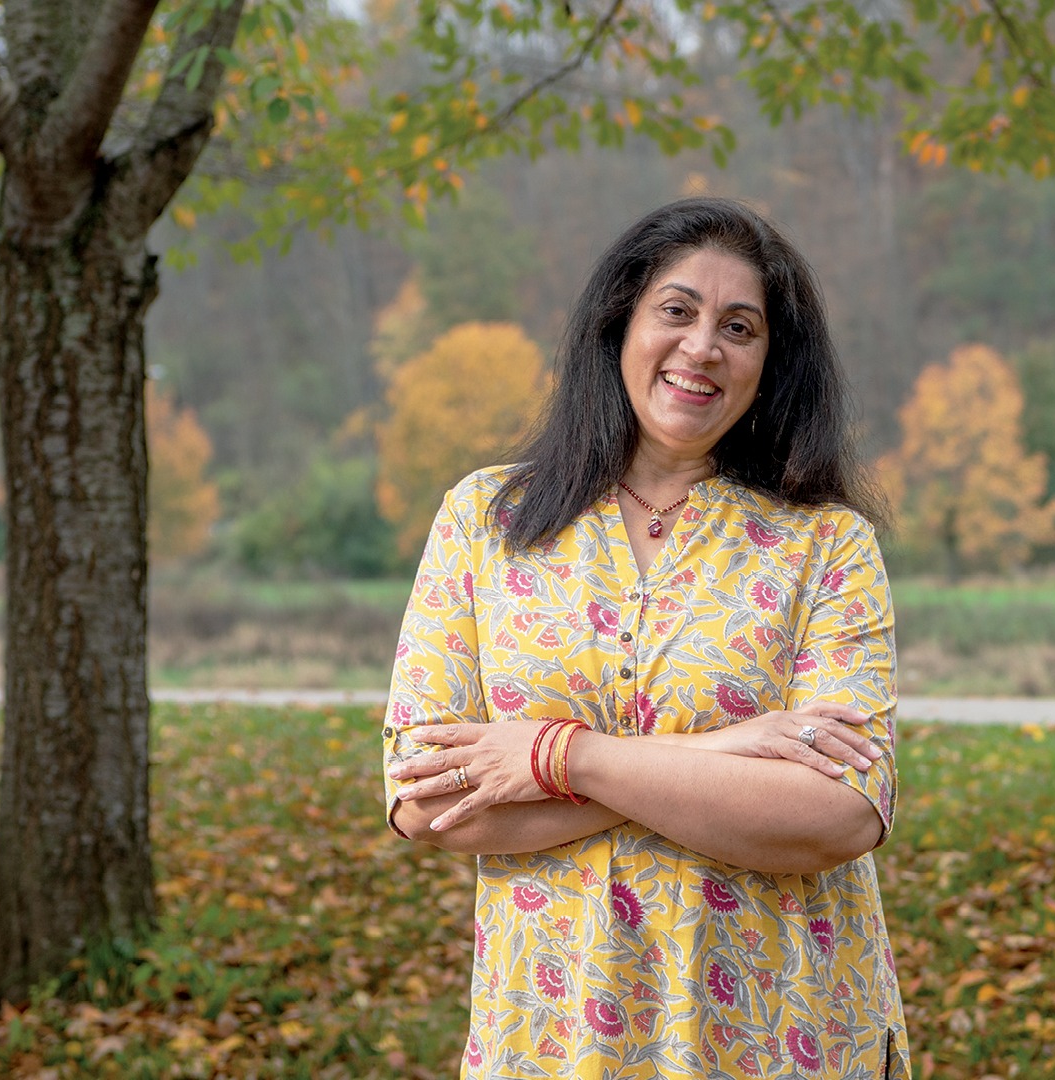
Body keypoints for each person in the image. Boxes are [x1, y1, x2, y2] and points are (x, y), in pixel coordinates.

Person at [382, 197, 910, 1079]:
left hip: (783, 1037)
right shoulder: (486, 519)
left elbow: (841, 812)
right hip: (550, 1041)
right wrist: (723, 754)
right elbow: (424, 799)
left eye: (739, 327)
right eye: (677, 310)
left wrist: (559, 759)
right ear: (618, 322)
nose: (703, 346)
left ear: (770, 362)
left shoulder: (824, 542)